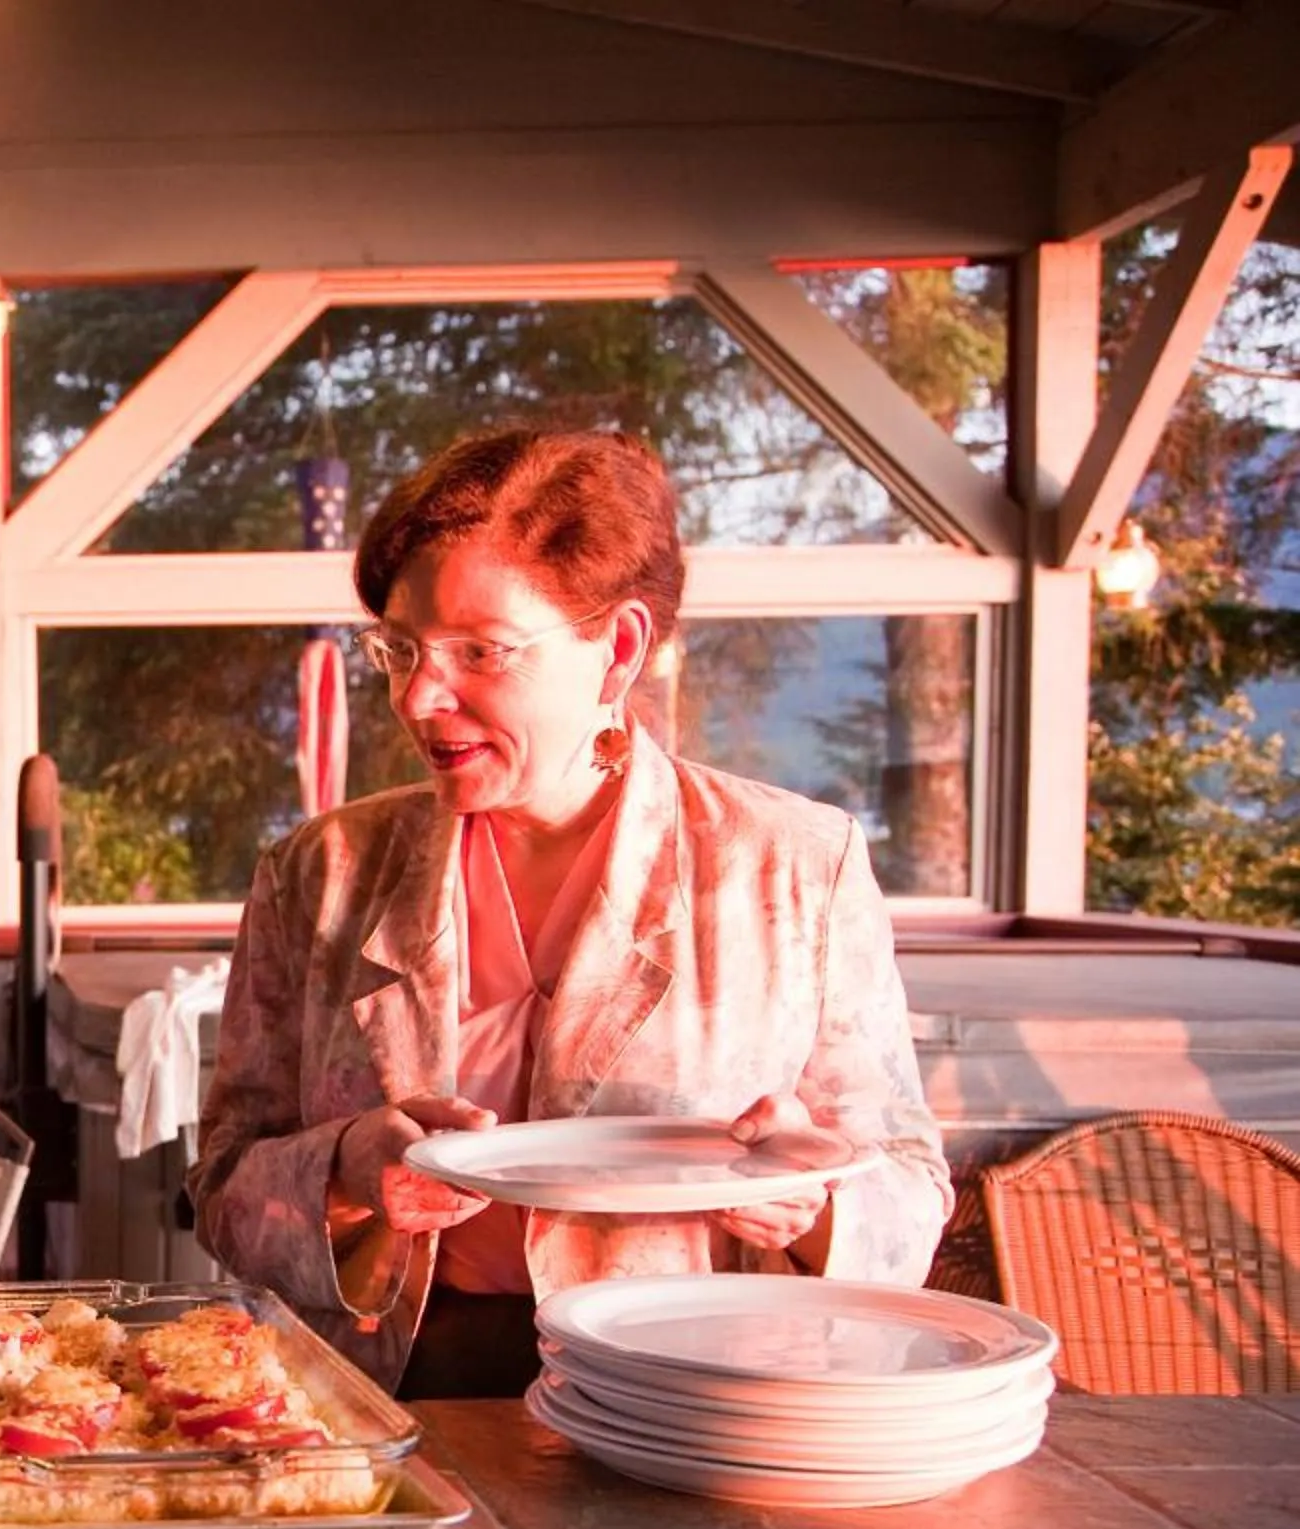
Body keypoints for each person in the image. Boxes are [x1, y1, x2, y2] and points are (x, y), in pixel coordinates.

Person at [189, 428, 950, 1398]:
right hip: (391, 1399)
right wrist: (345, 1170)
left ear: (619, 647)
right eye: (402, 649)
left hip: (694, 1395)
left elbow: (911, 1196)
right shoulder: (321, 873)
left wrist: (811, 1196)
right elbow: (220, 1188)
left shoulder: (792, 865)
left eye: (480, 650)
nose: (421, 696)